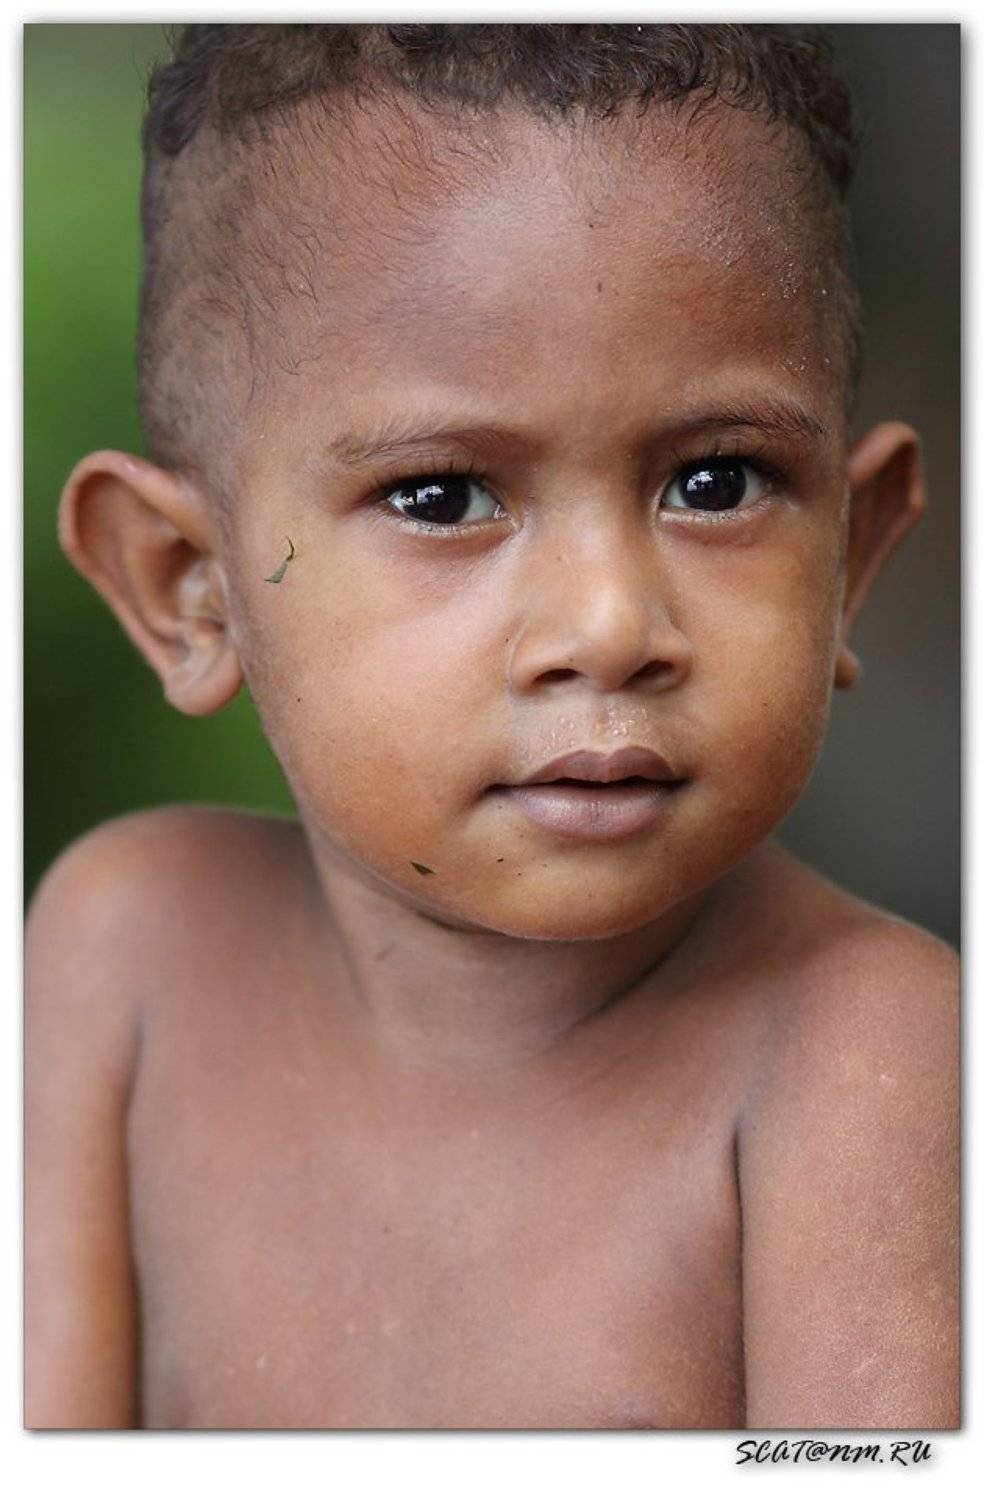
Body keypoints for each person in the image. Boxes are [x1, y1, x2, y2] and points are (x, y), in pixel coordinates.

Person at [25, 23, 958, 1431]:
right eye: (444, 498)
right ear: (190, 590)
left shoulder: (855, 1058)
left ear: (854, 558)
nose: (606, 625)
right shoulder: (129, 953)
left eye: (716, 481)